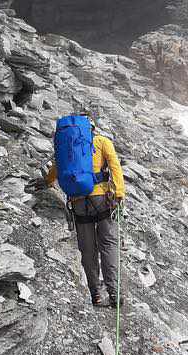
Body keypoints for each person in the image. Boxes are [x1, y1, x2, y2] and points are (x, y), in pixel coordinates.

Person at [42, 117, 125, 307]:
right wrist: (119, 193)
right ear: (91, 129)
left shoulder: (69, 146)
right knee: (109, 245)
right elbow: (115, 167)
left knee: (88, 250)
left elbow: (58, 168)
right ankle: (114, 294)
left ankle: (96, 294)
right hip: (102, 199)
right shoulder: (102, 142)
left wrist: (46, 182)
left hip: (79, 202)